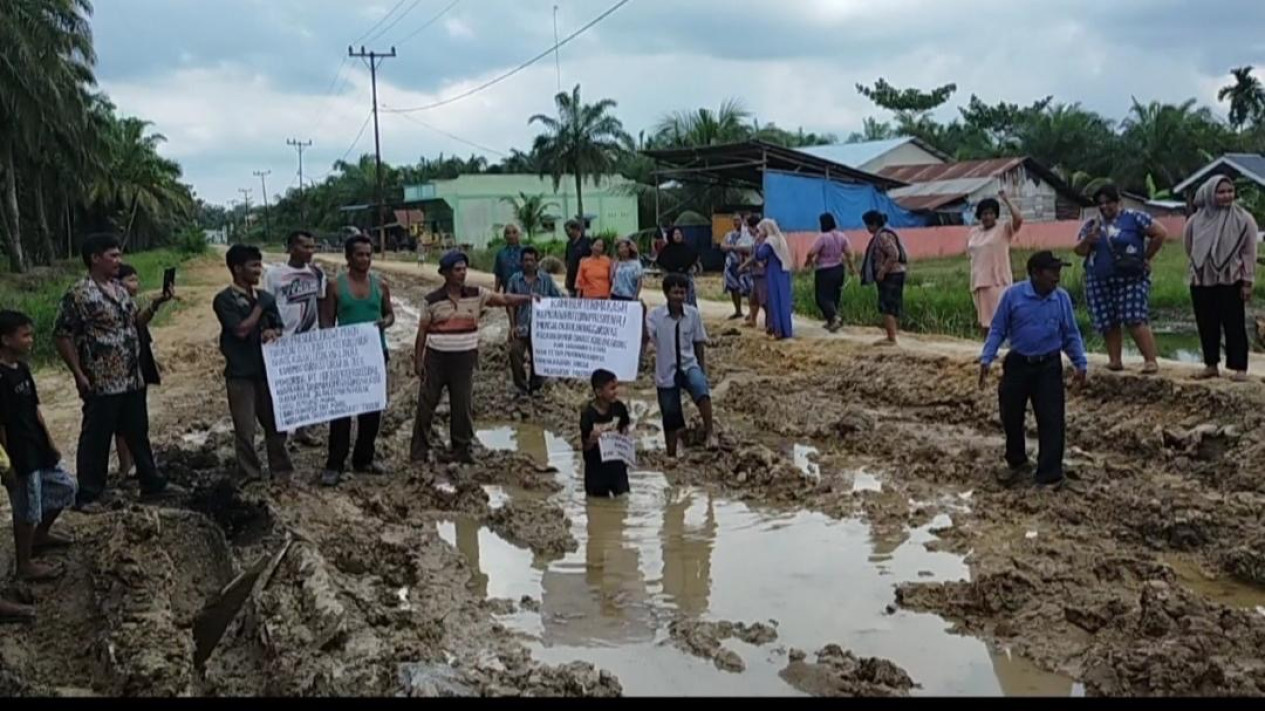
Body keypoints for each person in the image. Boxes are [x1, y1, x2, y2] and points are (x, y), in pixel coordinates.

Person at [54, 233, 178, 512]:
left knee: (137, 431)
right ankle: (89, 494)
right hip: (102, 378)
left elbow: (135, 323)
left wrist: (157, 303)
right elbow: (62, 335)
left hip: (131, 376)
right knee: (97, 436)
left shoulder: (120, 291)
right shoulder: (80, 294)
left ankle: (151, 482)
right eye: (113, 255)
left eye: (119, 255)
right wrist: (78, 373)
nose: (118, 261)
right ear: (95, 258)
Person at [412, 250, 536, 465]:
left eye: (464, 269)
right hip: (436, 360)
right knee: (426, 405)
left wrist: (528, 298)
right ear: (445, 273)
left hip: (464, 360)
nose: (462, 273)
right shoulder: (431, 300)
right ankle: (418, 452)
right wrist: (418, 360)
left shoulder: (476, 294)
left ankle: (461, 450)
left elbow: (503, 299)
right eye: (457, 270)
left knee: (462, 406)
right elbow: (422, 332)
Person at [979, 252, 1088, 489]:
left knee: (1051, 419)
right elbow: (998, 328)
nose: (1057, 277)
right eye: (1052, 272)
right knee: (1011, 415)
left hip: (1048, 365)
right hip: (1018, 364)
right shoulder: (1013, 296)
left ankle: (1049, 474)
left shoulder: (1061, 299)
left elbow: (1070, 333)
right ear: (1036, 273)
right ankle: (1016, 461)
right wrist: (987, 358)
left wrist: (1080, 363)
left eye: (1058, 271)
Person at [1, 311, 77, 589]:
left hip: (37, 447)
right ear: (6, 340)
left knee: (66, 487)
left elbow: (35, 410)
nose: (30, 340)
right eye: (25, 335)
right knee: (26, 509)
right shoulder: (1, 378)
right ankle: (25, 564)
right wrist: (7, 465)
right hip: (19, 455)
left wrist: (50, 444)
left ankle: (40, 535)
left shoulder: (22, 369)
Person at [213, 244, 294, 483]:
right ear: (237, 269)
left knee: (275, 423)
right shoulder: (225, 300)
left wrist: (272, 332)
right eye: (254, 265)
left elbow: (278, 326)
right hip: (240, 374)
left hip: (267, 372)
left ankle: (281, 469)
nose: (258, 270)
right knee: (244, 428)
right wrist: (259, 307)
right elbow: (240, 330)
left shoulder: (264, 298)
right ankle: (250, 473)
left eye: (259, 265)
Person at [319, 235, 395, 487]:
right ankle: (334, 463)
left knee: (372, 411)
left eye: (368, 254)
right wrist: (335, 342)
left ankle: (364, 458)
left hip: (374, 354)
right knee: (341, 412)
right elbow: (327, 320)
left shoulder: (380, 285)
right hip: (346, 358)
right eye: (359, 254)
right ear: (348, 257)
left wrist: (384, 323)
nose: (364, 259)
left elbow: (390, 314)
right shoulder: (335, 286)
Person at [1074, 184, 1168, 374]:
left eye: (1108, 202)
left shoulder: (1134, 217)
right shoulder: (1092, 225)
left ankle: (1150, 361)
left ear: (1118, 202)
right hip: (1098, 279)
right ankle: (1115, 360)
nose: (1104, 206)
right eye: (1100, 203)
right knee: (1107, 320)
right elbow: (1079, 251)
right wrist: (1088, 240)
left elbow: (1160, 233)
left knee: (1134, 318)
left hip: (1131, 278)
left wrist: (1146, 258)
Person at [1183, 175, 1258, 382]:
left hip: (1230, 278)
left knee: (1234, 324)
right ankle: (1211, 365)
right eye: (1221, 192)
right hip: (1202, 278)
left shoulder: (1243, 220)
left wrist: (1247, 282)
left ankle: (1239, 368)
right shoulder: (1195, 221)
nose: (1226, 196)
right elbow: (1189, 246)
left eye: (1229, 191)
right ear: (1210, 194)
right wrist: (1201, 264)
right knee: (1206, 323)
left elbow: (1249, 252)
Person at [264, 230, 328, 447]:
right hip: (284, 341)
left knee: (307, 387)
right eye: (305, 247)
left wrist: (325, 334)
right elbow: (267, 305)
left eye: (312, 247)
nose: (310, 251)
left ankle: (302, 430)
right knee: (283, 389)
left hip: (310, 340)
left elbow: (321, 304)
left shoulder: (317, 274)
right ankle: (281, 435)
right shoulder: (274, 275)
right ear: (291, 248)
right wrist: (271, 330)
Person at [645, 273, 718, 456]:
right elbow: (646, 337)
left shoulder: (692, 314)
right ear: (666, 294)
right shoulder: (655, 316)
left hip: (688, 364)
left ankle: (710, 433)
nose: (679, 297)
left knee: (701, 388)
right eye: (675, 292)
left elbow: (698, 342)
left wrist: (701, 369)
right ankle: (671, 453)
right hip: (666, 369)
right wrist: (639, 316)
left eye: (682, 293)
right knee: (669, 413)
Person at [113, 264, 164, 481]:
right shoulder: (113, 305)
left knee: (136, 420)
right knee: (122, 423)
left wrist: (155, 304)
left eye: (136, 279)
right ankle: (125, 465)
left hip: (137, 369)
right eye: (131, 280)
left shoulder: (130, 304)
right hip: (121, 371)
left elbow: (139, 326)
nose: (136, 284)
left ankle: (135, 464)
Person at [507, 246, 564, 396]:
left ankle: (536, 387)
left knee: (538, 357)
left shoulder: (546, 279)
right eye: (526, 260)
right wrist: (512, 325)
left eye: (531, 260)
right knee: (515, 352)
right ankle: (520, 386)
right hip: (521, 326)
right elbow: (509, 302)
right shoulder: (514, 279)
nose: (529, 263)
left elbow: (558, 298)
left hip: (541, 329)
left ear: (536, 261)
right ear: (521, 262)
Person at [968, 191, 1024, 338]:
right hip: (979, 282)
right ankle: (987, 347)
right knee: (984, 322)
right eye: (984, 214)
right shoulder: (974, 233)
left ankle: (1004, 346)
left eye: (991, 213)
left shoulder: (1003, 230)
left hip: (998, 282)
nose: (987, 217)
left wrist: (1007, 200)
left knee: (1000, 319)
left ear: (995, 215)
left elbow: (1018, 219)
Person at [580, 369, 632, 498]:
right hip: (595, 469)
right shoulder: (588, 414)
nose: (616, 392)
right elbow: (585, 446)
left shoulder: (619, 408)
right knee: (597, 503)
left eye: (616, 387)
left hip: (617, 467)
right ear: (599, 392)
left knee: (624, 499)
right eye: (612, 388)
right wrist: (592, 439)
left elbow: (625, 429)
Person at [859, 211, 908, 346]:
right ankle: (893, 334)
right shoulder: (887, 232)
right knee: (891, 305)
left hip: (890, 275)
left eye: (868, 225)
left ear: (874, 224)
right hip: (896, 273)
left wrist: (882, 270)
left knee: (886, 305)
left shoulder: (882, 236)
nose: (867, 228)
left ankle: (891, 338)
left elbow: (894, 254)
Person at [741, 218, 794, 340]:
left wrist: (760, 242)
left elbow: (760, 255)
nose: (759, 232)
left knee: (774, 300)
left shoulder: (770, 241)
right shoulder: (779, 239)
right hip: (783, 272)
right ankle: (785, 330)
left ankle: (777, 329)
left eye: (761, 230)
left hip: (774, 273)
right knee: (783, 301)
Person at [806, 213, 856, 333]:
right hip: (839, 269)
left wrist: (809, 261)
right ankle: (831, 321)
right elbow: (849, 253)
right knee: (834, 296)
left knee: (822, 297)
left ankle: (834, 318)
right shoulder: (842, 236)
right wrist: (852, 267)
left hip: (825, 271)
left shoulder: (823, 237)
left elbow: (811, 252)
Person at [719, 214, 754, 320]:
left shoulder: (747, 235)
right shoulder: (729, 235)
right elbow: (722, 246)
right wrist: (736, 248)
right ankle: (738, 311)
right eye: (734, 220)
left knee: (749, 288)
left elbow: (750, 248)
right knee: (734, 288)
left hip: (745, 265)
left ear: (742, 221)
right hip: (731, 265)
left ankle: (752, 312)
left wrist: (733, 248)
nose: (736, 222)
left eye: (738, 220)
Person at [656, 227, 700, 307]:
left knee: (689, 300)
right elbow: (661, 262)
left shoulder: (687, 248)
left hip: (686, 277)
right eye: (675, 234)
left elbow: (694, 258)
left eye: (679, 234)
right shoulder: (666, 250)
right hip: (672, 278)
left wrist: (687, 268)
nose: (678, 236)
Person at [745, 214, 768, 331]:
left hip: (761, 273)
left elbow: (756, 256)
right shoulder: (757, 239)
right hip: (756, 272)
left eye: (748, 227)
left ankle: (770, 323)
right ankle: (752, 320)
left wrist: (743, 265)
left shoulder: (761, 239)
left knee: (764, 300)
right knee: (753, 298)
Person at [563, 219, 593, 298]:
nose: (567, 233)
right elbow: (567, 261)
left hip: (584, 282)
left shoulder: (587, 242)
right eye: (565, 231)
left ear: (576, 229)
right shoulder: (569, 244)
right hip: (572, 282)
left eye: (568, 230)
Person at [493, 223, 525, 293]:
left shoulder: (525, 251)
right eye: (508, 233)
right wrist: (495, 292)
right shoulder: (501, 254)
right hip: (507, 292)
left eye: (514, 232)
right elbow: (498, 275)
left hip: (524, 291)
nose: (511, 235)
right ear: (505, 236)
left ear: (519, 234)